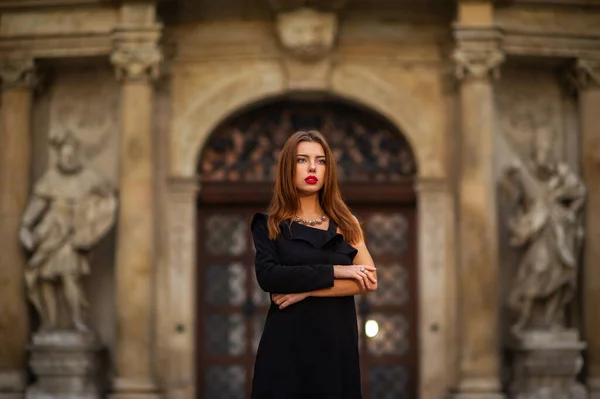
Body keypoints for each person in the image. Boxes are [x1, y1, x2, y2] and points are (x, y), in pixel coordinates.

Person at [251, 130, 378, 399]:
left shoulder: (346, 224)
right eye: (302, 160)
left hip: (335, 344)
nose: (312, 168)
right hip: (287, 345)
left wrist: (307, 290)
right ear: (288, 167)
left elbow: (368, 280)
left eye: (320, 161)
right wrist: (337, 271)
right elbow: (269, 276)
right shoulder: (269, 224)